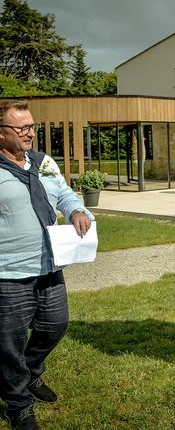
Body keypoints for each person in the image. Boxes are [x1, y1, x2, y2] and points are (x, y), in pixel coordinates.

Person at [0, 100, 93, 430]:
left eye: (32, 127)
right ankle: (18, 404)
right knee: (8, 344)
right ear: (1, 134)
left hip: (50, 266)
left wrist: (77, 211)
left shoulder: (44, 163)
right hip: (9, 275)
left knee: (55, 325)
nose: (29, 133)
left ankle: (30, 374)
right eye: (21, 128)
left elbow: (65, 193)